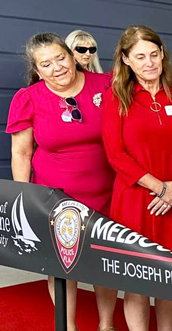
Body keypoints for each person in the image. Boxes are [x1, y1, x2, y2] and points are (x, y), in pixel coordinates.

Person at [6, 33, 117, 331]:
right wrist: (25, 197)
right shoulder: (29, 98)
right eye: (46, 64)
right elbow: (21, 153)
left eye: (60, 58)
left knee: (104, 265)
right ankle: (67, 326)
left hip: (108, 195)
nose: (56, 67)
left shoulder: (105, 84)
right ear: (37, 70)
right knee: (62, 266)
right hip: (55, 200)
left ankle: (107, 325)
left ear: (72, 56)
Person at [102, 25, 172, 331]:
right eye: (140, 56)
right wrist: (160, 187)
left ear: (162, 55)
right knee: (138, 277)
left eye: (154, 54)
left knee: (171, 276)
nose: (149, 63)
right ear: (125, 59)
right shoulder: (115, 97)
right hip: (138, 200)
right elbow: (115, 154)